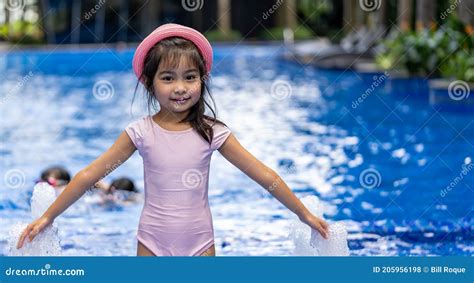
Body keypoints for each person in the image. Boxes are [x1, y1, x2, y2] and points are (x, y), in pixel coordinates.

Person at [17, 23, 329, 256]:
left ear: (201, 80)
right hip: (151, 241)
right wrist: (48, 215)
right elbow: (89, 176)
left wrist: (304, 214)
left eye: (190, 77)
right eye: (168, 78)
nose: (180, 87)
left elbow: (264, 175)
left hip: (201, 242)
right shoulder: (140, 132)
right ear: (150, 84)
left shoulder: (212, 132)